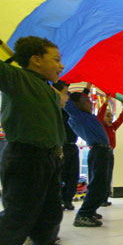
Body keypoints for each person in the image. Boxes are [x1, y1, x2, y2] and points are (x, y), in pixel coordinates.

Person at [0, 26, 72, 245]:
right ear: (36, 60)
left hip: (49, 158)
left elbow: (55, 105)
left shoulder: (46, 88)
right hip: (25, 157)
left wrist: (62, 97)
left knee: (50, 211)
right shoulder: (18, 78)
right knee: (20, 213)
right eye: (56, 59)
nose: (61, 65)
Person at [64, 87, 114, 228]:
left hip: (105, 152)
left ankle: (91, 210)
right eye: (87, 101)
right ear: (76, 105)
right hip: (98, 152)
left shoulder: (87, 115)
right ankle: (83, 215)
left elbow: (79, 100)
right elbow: (69, 101)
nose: (90, 103)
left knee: (103, 186)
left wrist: (86, 89)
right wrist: (63, 85)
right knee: (97, 185)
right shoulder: (77, 115)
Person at [96, 90, 123, 207]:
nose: (110, 118)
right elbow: (99, 115)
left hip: (110, 153)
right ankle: (98, 198)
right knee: (102, 177)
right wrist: (106, 102)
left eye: (111, 116)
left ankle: (105, 198)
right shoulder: (100, 126)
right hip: (101, 153)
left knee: (108, 176)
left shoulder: (113, 127)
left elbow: (120, 120)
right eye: (108, 116)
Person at [54, 81, 79, 211]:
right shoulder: (58, 110)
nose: (67, 96)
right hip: (62, 145)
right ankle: (59, 199)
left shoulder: (72, 112)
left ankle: (68, 199)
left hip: (72, 145)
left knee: (73, 175)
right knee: (61, 174)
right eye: (66, 93)